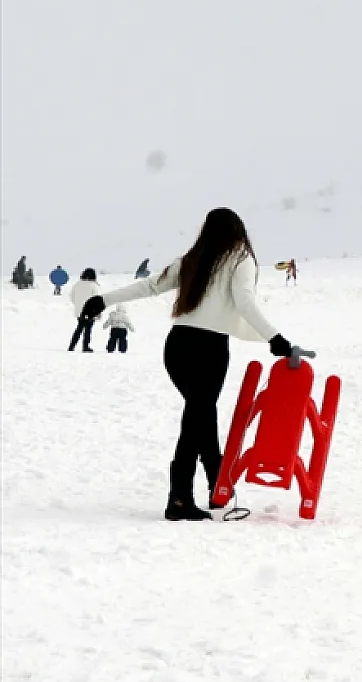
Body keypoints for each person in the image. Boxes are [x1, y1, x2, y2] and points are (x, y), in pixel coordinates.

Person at [78, 207, 294, 521]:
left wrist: (104, 299)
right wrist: (275, 338)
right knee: (197, 418)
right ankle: (180, 498)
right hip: (209, 349)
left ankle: (217, 485)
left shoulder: (193, 258)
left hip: (177, 347)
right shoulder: (240, 259)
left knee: (201, 414)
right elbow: (245, 301)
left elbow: (150, 285)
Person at [68, 268, 101, 352]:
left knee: (79, 328)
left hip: (80, 311)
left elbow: (71, 296)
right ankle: (85, 346)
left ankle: (71, 346)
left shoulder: (77, 284)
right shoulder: (93, 285)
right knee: (88, 330)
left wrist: (78, 304)